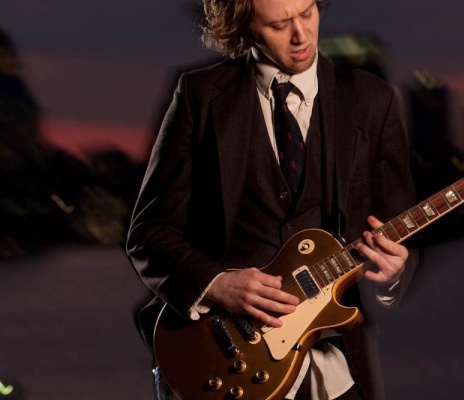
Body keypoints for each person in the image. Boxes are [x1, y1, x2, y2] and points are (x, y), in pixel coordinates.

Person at [126, 0, 417, 399]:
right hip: (225, 362)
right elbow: (149, 234)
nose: (301, 35)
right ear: (242, 27)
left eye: (307, 12)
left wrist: (394, 272)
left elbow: (398, 230)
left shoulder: (372, 99)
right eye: (279, 25)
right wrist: (217, 284)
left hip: (336, 366)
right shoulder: (200, 96)